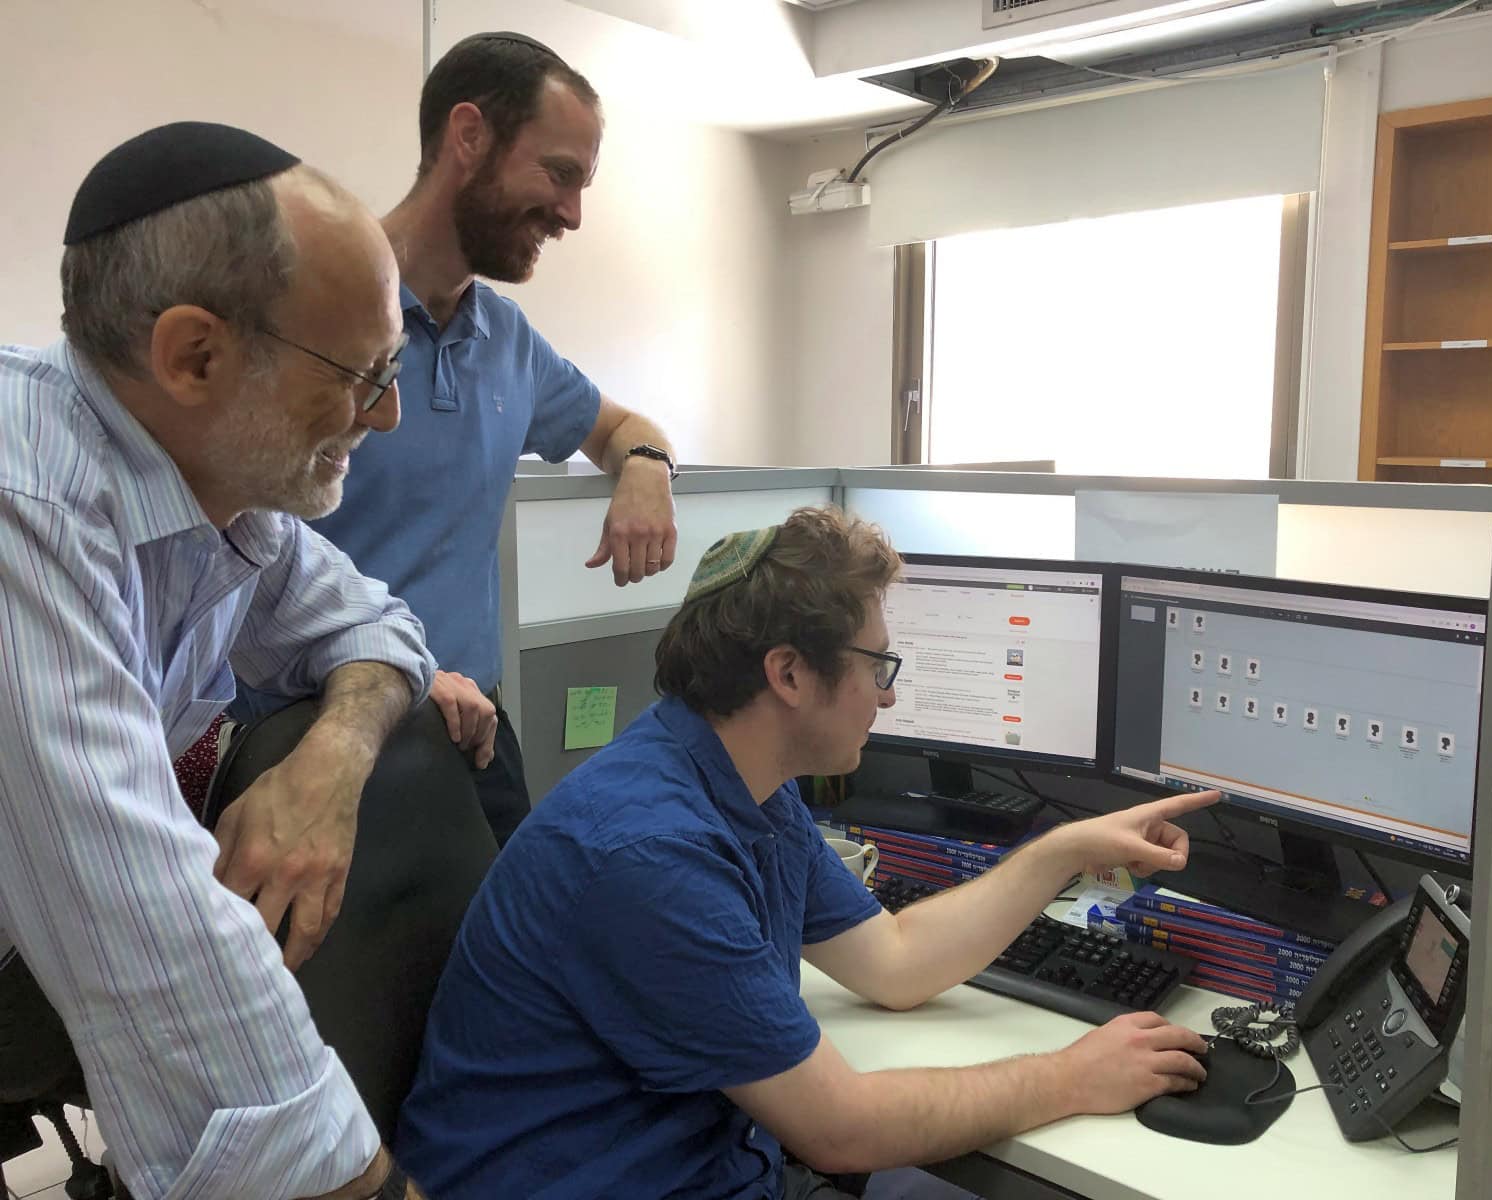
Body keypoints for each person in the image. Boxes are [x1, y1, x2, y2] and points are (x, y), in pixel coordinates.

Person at [395, 507, 1220, 1199]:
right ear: (788, 674)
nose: (889, 694)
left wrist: (1064, 849)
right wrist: (1071, 1077)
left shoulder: (742, 783)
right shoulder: (651, 856)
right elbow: (840, 1128)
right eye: (877, 665)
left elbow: (894, 961)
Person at [0, 122, 437, 1199]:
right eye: (364, 372)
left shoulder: (212, 489)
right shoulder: (27, 493)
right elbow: (137, 921)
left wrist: (332, 760)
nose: (385, 412)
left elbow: (378, 626)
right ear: (194, 356)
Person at [237, 30, 679, 846]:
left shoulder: (506, 339)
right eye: (559, 174)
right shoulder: (310, 311)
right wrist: (390, 667)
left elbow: (620, 426)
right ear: (469, 136)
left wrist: (646, 467)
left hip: (473, 733)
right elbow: (233, 543)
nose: (573, 215)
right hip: (320, 731)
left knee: (532, 923)